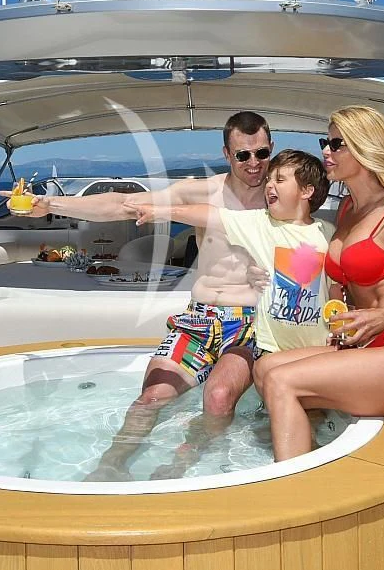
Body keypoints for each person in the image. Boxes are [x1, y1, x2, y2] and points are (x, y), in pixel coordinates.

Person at [16, 111, 274, 469]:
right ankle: (109, 467)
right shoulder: (202, 192)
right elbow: (124, 204)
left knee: (217, 398)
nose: (254, 164)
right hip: (201, 320)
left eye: (262, 153)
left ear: (271, 150)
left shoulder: (281, 197)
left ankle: (181, 467)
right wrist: (51, 205)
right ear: (227, 155)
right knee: (149, 399)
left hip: (250, 325)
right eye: (243, 155)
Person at [251, 105, 384, 460]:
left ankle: (291, 493)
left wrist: (382, 317)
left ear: (365, 148)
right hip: (366, 344)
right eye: (326, 141)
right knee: (265, 368)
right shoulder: (349, 209)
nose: (326, 152)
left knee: (281, 380)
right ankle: (314, 457)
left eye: (337, 144)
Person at [130, 148, 334, 469]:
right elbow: (208, 214)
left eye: (280, 179)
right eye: (270, 179)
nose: (269, 185)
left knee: (311, 430)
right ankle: (199, 463)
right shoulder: (260, 225)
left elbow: (340, 286)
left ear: (307, 191)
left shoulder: (328, 235)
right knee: (281, 428)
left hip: (316, 352)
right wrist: (161, 211)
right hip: (271, 352)